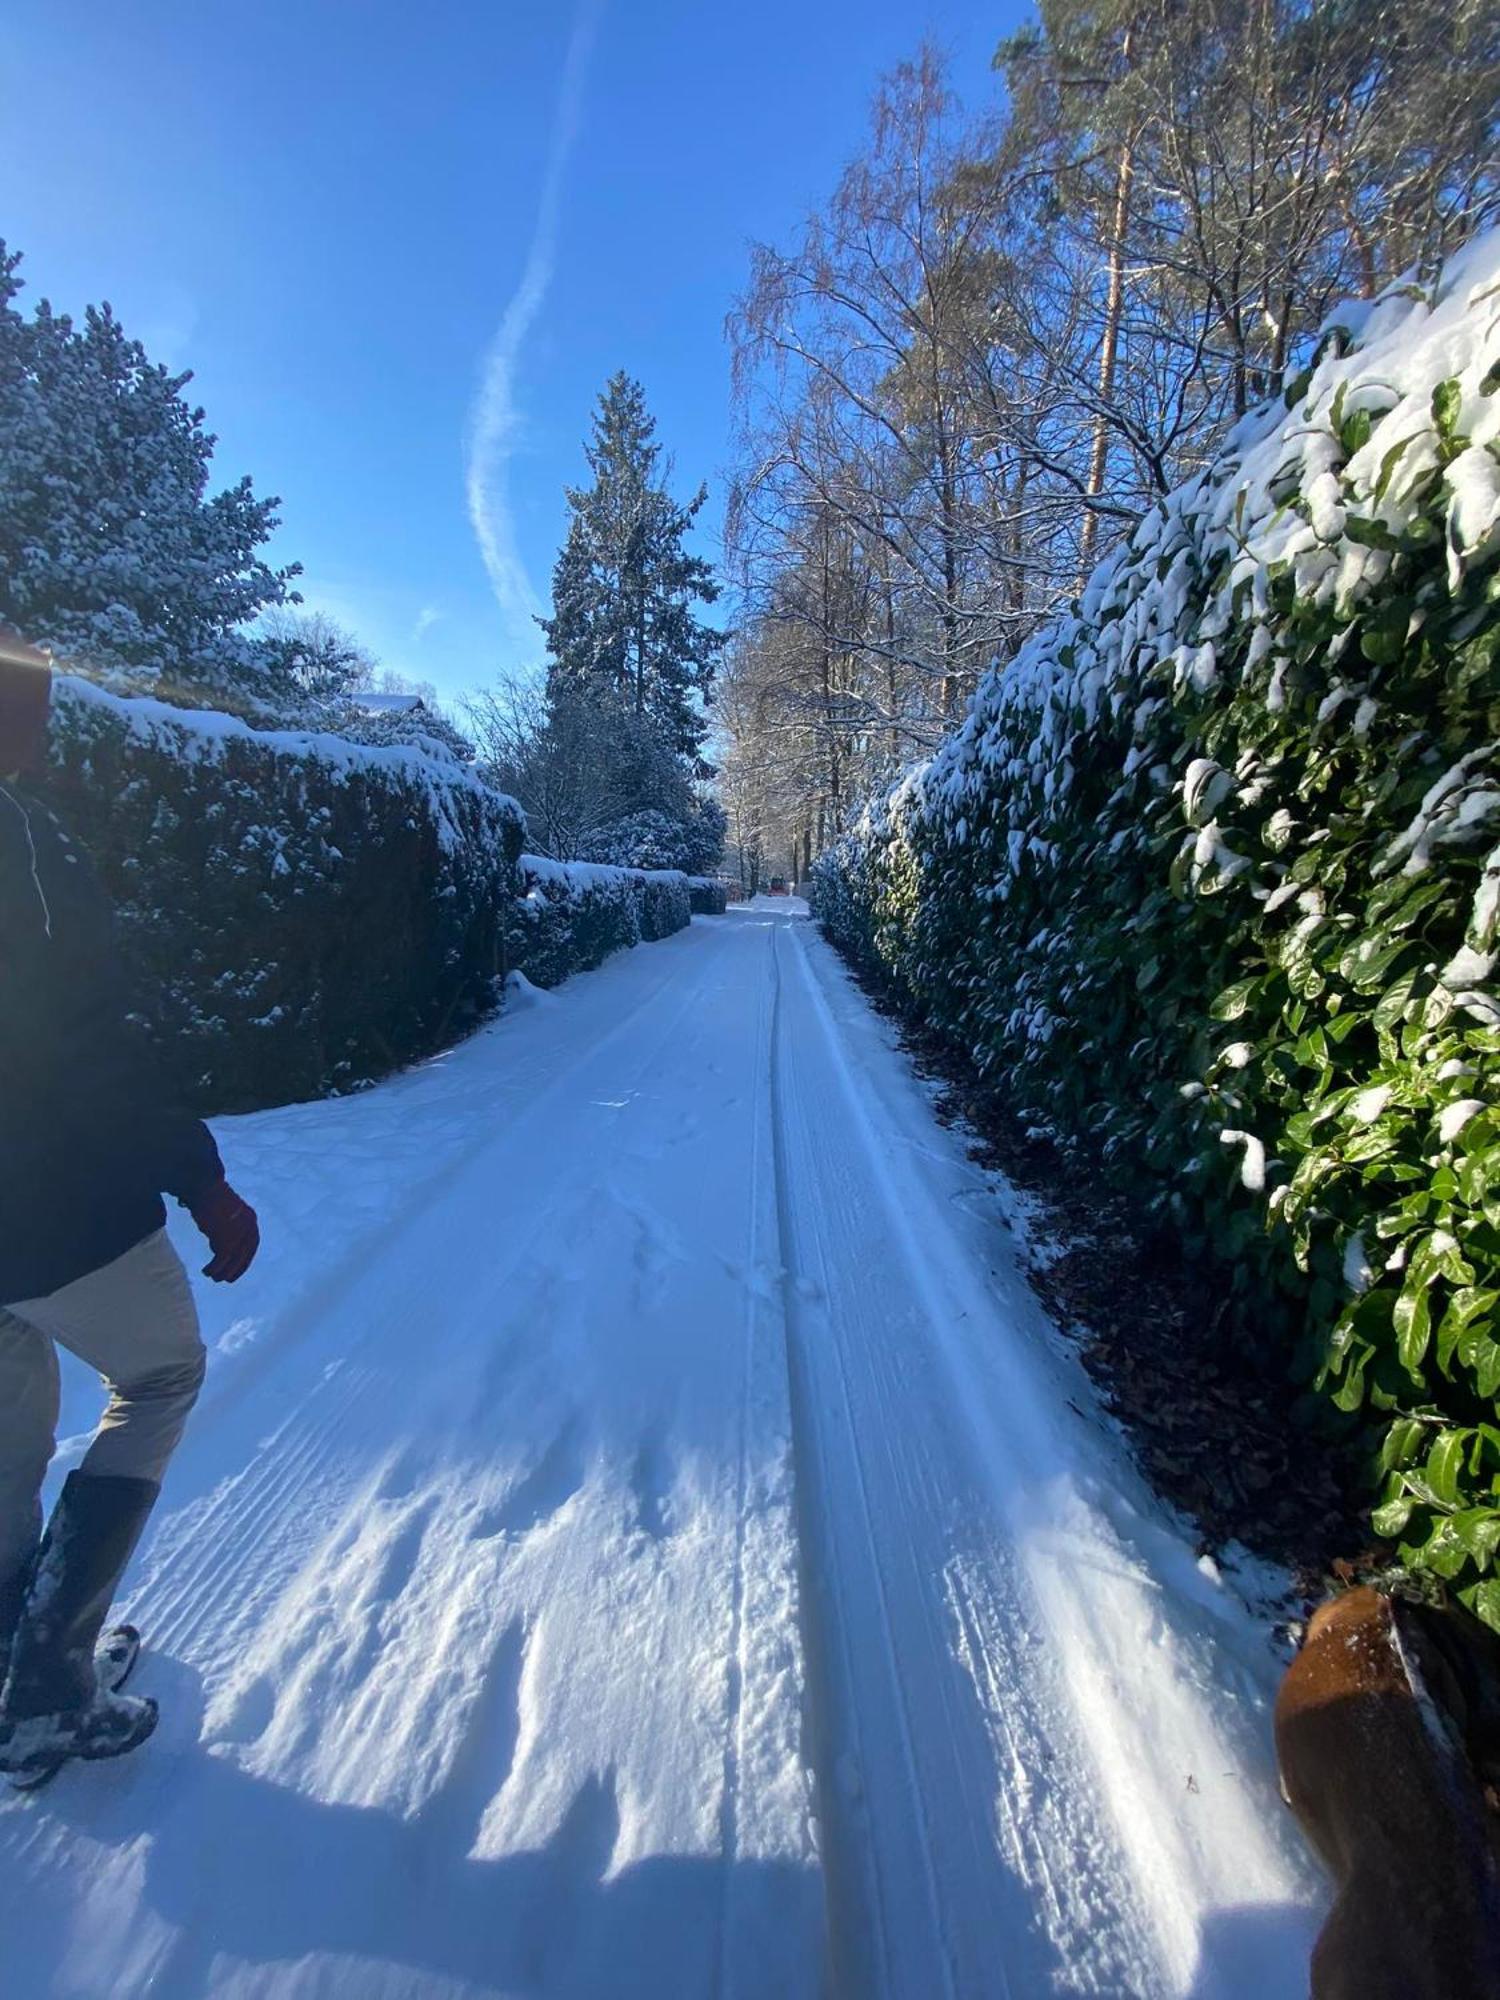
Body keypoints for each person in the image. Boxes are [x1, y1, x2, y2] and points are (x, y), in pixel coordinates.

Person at [0, 630, 260, 1778]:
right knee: (159, 1374)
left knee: (9, 1427)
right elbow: (91, 1045)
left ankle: (15, 1651)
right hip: (55, 1202)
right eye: (35, 702)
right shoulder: (30, 847)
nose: (47, 724)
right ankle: (50, 1677)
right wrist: (202, 1179)